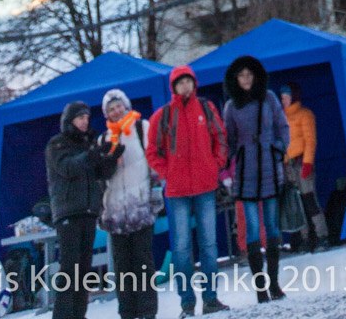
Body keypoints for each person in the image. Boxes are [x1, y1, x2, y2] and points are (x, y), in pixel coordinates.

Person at [148, 65, 229, 318]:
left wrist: (215, 165)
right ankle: (187, 303)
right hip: (177, 191)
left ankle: (211, 298)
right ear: (173, 87)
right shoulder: (163, 115)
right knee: (182, 248)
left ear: (194, 84)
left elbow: (221, 137)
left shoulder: (206, 108)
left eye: (188, 82)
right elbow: (152, 151)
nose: (185, 86)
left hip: (205, 186)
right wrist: (167, 173)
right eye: (180, 83)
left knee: (209, 245)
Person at [223, 56, 289, 305]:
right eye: (241, 75)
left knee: (272, 228)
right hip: (245, 173)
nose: (246, 79)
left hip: (270, 169)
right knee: (251, 229)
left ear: (256, 75)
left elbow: (283, 127)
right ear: (235, 79)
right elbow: (228, 141)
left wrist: (279, 148)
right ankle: (260, 287)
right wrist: (225, 170)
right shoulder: (231, 107)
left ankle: (274, 282)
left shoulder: (270, 98)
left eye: (249, 74)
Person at [44, 101, 119, 319]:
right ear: (69, 121)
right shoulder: (57, 144)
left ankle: (78, 315)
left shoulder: (89, 144)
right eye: (80, 118)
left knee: (84, 270)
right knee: (70, 269)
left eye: (87, 118)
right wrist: (92, 154)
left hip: (88, 211)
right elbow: (68, 167)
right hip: (68, 213)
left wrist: (111, 158)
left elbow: (100, 173)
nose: (85, 122)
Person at [99, 91, 157, 319]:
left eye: (118, 106)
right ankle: (127, 313)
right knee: (122, 268)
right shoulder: (104, 139)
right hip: (115, 211)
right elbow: (102, 177)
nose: (116, 111)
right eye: (111, 108)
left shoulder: (142, 127)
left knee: (143, 262)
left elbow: (153, 163)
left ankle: (148, 311)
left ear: (126, 105)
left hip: (139, 206)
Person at [277, 85, 324, 251]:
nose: (283, 100)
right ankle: (305, 238)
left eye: (285, 96)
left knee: (309, 199)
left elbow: (310, 140)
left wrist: (308, 162)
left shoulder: (305, 114)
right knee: (297, 203)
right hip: (288, 165)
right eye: (281, 97)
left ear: (293, 97)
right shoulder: (281, 117)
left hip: (301, 161)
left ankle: (321, 235)